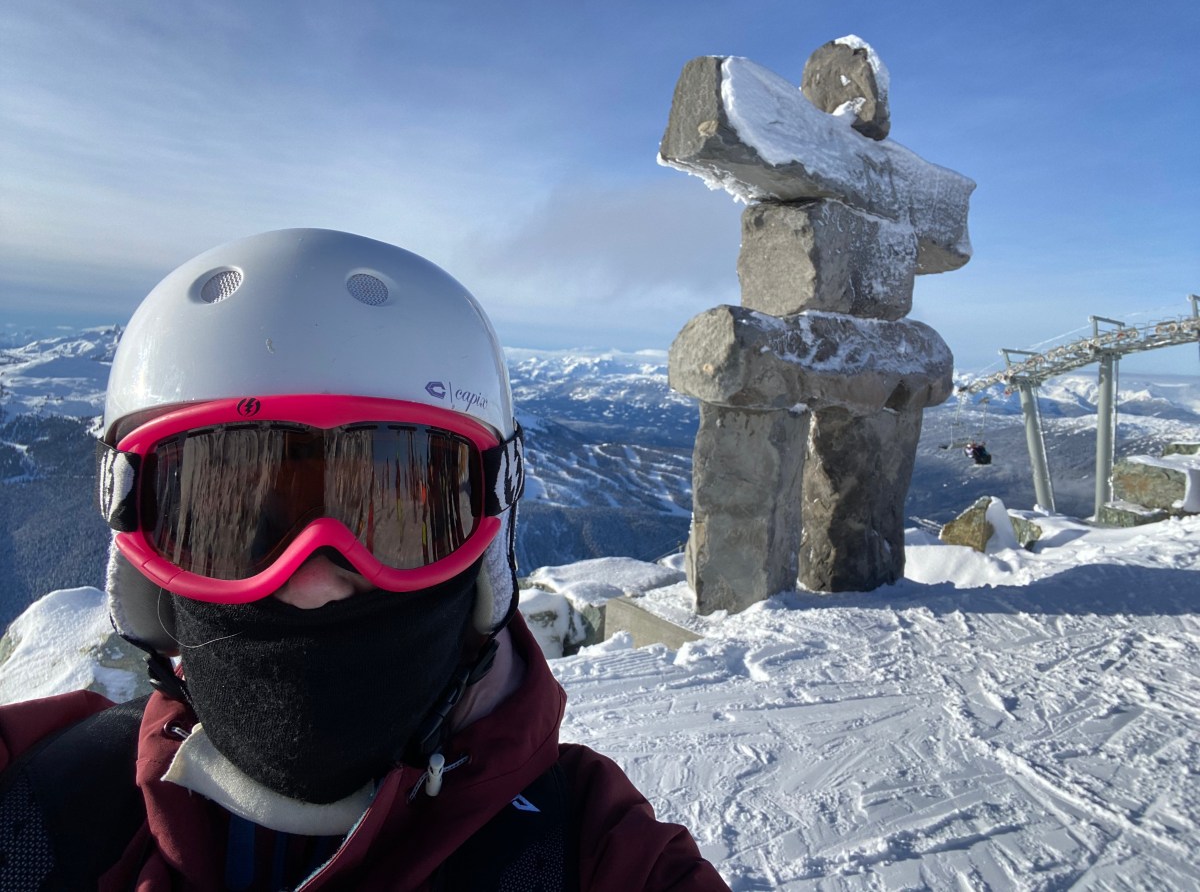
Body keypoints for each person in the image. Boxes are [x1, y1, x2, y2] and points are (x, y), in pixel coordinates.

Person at [0, 229, 729, 891]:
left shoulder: (595, 853)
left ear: (488, 547)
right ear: (138, 550)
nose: (313, 581)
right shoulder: (33, 800)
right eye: (230, 522)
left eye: (395, 518)